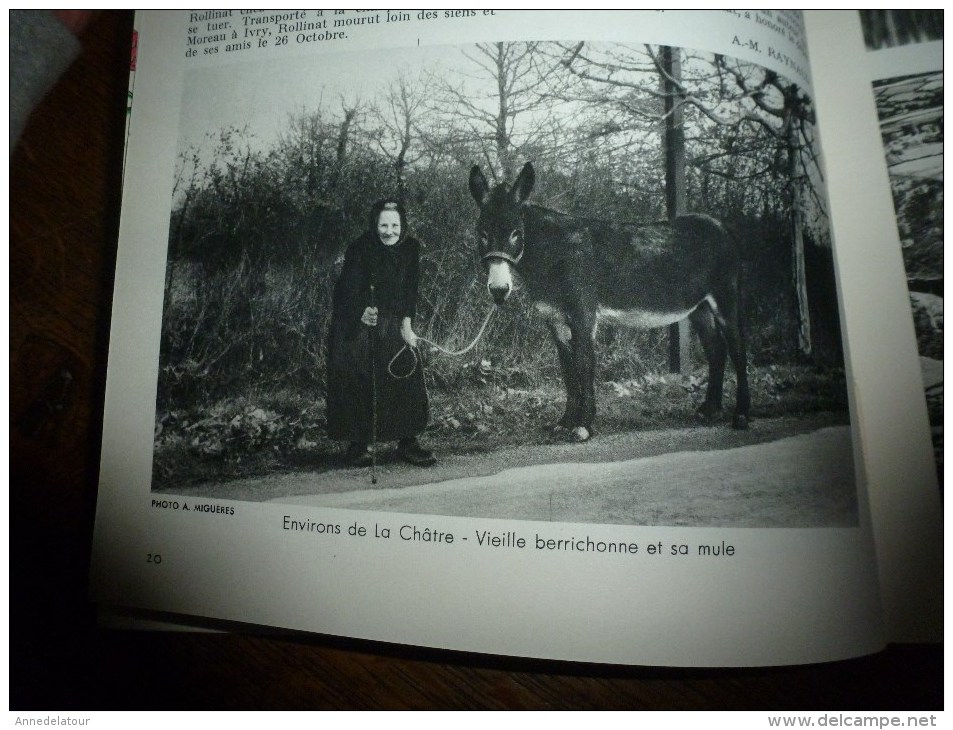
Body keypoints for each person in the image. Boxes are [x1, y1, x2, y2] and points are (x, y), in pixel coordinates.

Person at [326, 199, 436, 467]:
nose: (389, 231)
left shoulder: (410, 249)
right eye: (384, 225)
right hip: (362, 326)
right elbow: (344, 291)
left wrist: (407, 325)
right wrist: (361, 310)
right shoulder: (360, 248)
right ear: (375, 225)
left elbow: (411, 290)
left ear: (403, 226)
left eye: (395, 225)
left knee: (406, 371)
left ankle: (408, 443)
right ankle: (357, 445)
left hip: (395, 323)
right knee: (362, 378)